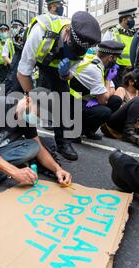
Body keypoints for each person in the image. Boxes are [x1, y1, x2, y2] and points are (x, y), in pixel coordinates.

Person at [17, 11, 101, 161]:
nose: (73, 54)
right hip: (32, 54)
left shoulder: (81, 48)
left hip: (55, 65)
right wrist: (31, 99)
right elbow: (23, 73)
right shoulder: (41, 32)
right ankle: (16, 134)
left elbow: (69, 75)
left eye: (76, 53)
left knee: (63, 97)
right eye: (71, 49)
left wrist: (64, 74)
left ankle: (64, 142)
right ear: (67, 31)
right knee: (17, 94)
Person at [0, 89, 72, 193]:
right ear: (27, 100)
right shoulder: (0, 107)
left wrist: (58, 169)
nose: (37, 119)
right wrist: (15, 172)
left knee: (33, 146)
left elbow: (39, 148)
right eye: (38, 114)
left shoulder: (26, 118)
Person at [67, 41, 124, 140]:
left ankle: (89, 130)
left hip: (85, 101)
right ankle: (73, 130)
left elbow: (112, 91)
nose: (116, 61)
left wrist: (106, 88)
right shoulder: (94, 69)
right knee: (104, 111)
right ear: (110, 57)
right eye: (116, 58)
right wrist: (108, 80)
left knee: (115, 100)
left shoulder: (101, 66)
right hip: (71, 103)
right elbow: (104, 100)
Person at [101, 69, 139, 148]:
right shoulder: (122, 90)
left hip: (133, 123)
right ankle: (128, 131)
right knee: (138, 100)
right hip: (115, 121)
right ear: (131, 82)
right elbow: (117, 107)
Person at [103, 8, 137, 87]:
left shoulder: (133, 33)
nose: (133, 20)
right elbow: (102, 49)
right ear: (124, 19)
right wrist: (109, 65)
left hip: (131, 69)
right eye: (131, 18)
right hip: (117, 69)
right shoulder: (112, 31)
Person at [4, 19, 27, 95]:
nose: (13, 29)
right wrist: (13, 65)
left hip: (22, 69)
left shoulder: (26, 38)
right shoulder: (10, 41)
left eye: (15, 26)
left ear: (21, 27)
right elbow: (4, 55)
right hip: (12, 68)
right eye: (12, 27)